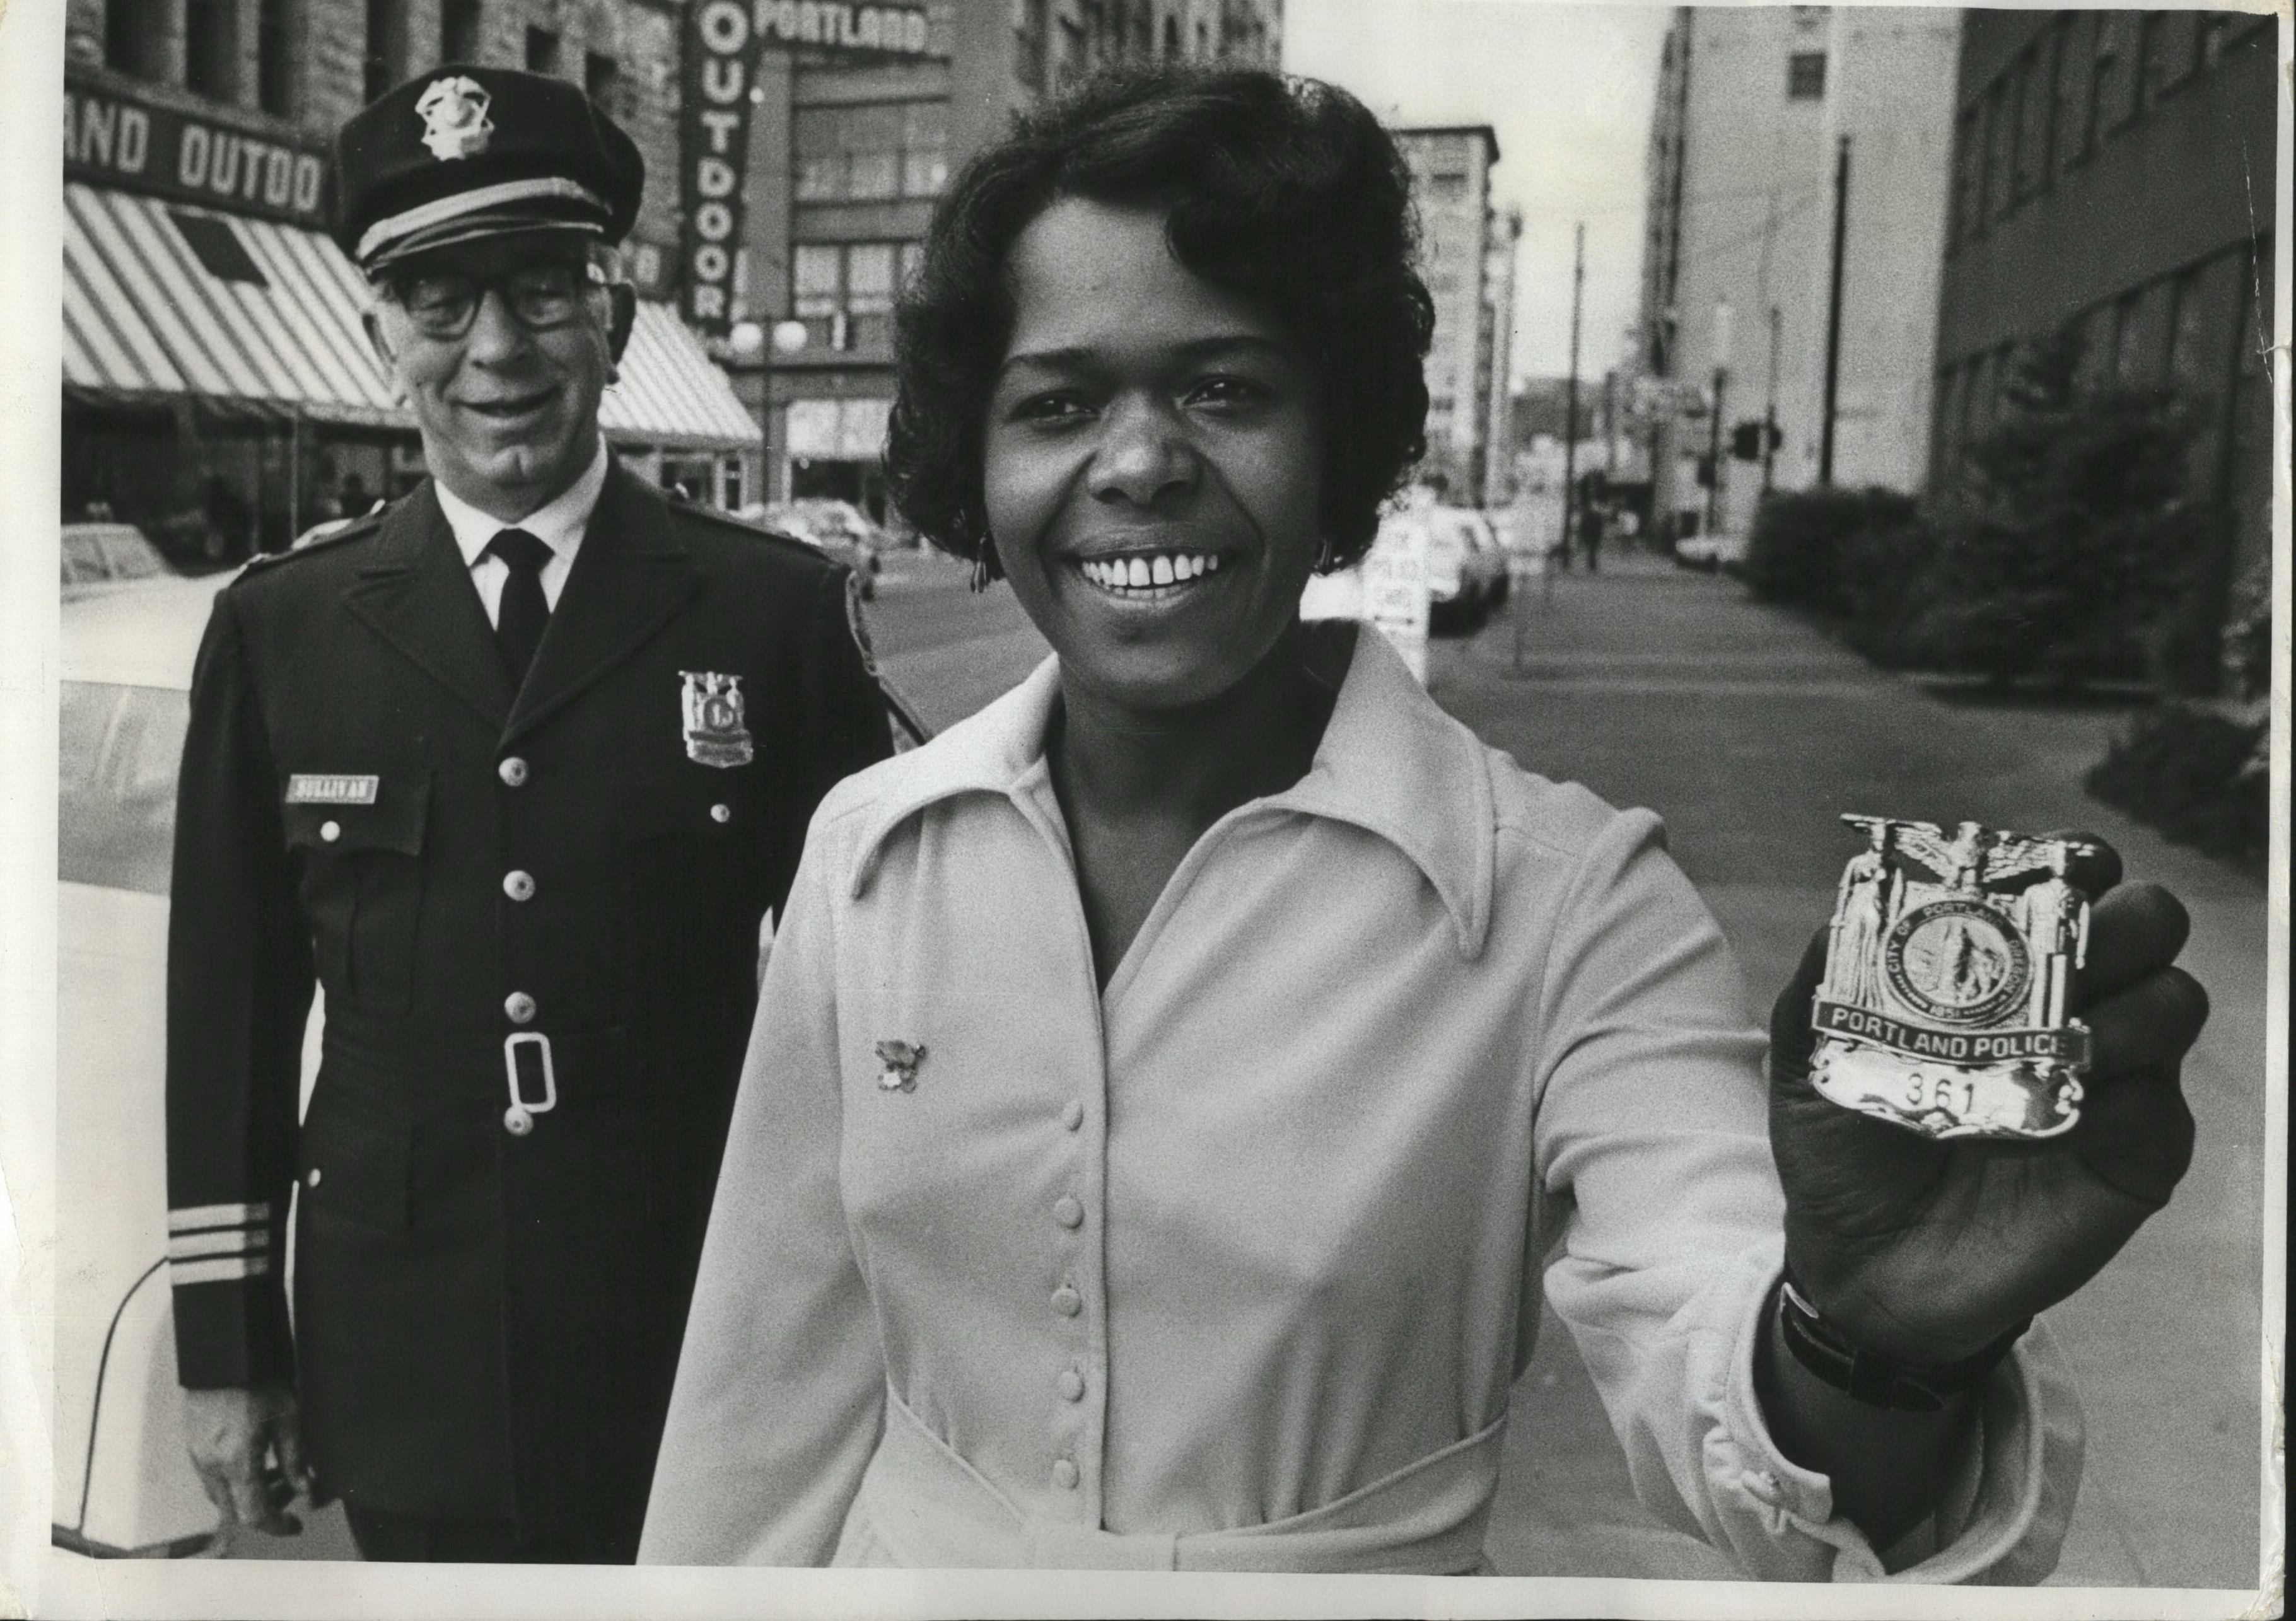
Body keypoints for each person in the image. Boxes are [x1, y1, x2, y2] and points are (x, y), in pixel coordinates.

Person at [637, 66, 2207, 1577]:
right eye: (1057, 402)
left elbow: (1720, 1358)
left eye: (1224, 386)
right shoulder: (869, 852)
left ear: (1341, 445)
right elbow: (761, 1399)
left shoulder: (1567, 902)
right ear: (981, 459)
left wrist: (1861, 1334)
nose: (1136, 463)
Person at [163, 66, 892, 1564]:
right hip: (405, 1348)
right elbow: (228, 1019)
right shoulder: (283, 630)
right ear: (381, 339)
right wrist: (229, 1349)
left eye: (544, 294)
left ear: (614, 324)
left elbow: (876, 1011)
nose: (495, 350)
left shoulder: (774, 616)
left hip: (698, 1337)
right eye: (439, 303)